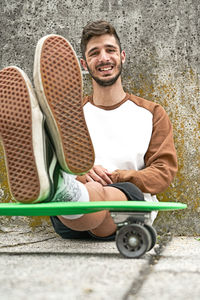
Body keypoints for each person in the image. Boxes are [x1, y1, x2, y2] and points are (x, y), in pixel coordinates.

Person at [0, 20, 178, 241]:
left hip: (130, 208)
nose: (104, 58)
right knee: (84, 187)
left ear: (122, 56)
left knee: (98, 196)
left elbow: (163, 172)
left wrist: (116, 176)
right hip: (73, 216)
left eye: (110, 50)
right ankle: (65, 187)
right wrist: (81, 173)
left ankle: (63, 190)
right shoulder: (68, 114)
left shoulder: (151, 113)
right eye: (95, 53)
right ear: (84, 65)